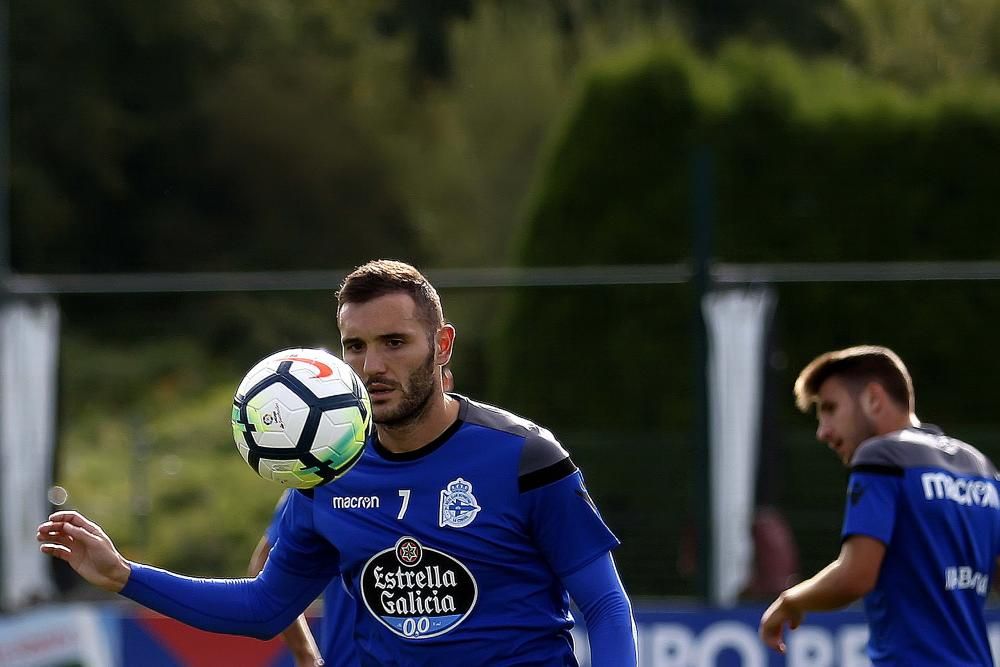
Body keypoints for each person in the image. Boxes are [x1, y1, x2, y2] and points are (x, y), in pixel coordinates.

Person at [38, 260, 637, 666]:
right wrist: (125, 576)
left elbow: (605, 604)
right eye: (356, 346)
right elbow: (264, 607)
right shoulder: (325, 473)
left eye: (394, 343)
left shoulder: (524, 458)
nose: (372, 365)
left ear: (443, 346)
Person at [759, 345, 1000, 666]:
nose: (822, 432)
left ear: (873, 398)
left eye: (830, 409)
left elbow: (856, 575)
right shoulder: (981, 468)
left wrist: (791, 601)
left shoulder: (881, 455)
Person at [248, 366, 456, 667]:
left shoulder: (478, 472)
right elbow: (264, 566)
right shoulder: (332, 473)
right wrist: (306, 655)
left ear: (446, 382)